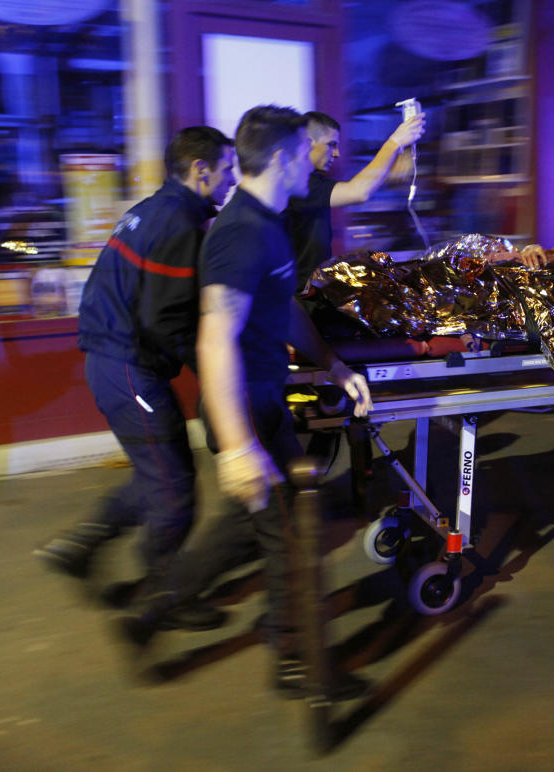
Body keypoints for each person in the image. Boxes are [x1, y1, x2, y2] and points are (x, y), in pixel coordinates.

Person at [115, 105, 373, 700]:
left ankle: (149, 616)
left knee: (243, 530)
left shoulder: (267, 225)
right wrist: (236, 446)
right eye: (307, 152)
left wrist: (333, 366)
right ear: (282, 159)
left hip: (260, 399)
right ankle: (296, 661)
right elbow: (215, 335)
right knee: (292, 536)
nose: (317, 164)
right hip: (245, 409)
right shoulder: (240, 232)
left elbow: (283, 308)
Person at [35, 127, 235, 630]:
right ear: (201, 170)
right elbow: (169, 320)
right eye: (227, 168)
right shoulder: (180, 223)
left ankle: (80, 547)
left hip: (114, 363)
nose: (231, 179)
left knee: (159, 474)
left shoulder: (155, 209)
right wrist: (218, 371)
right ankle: (163, 599)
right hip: (129, 368)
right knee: (174, 490)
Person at [286, 110, 425, 291]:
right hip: (297, 296)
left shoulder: (313, 181)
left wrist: (390, 164)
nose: (336, 154)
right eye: (331, 145)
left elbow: (361, 186)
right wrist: (394, 143)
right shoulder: (302, 185)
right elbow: (358, 191)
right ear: (308, 143)